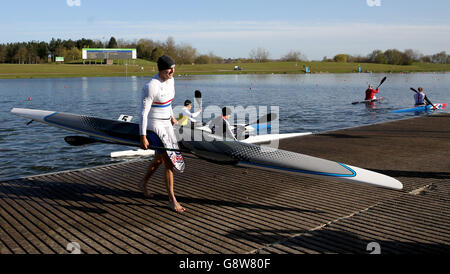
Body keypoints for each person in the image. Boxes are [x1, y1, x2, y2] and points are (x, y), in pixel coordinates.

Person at [138, 54, 186, 213]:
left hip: (167, 123)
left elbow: (168, 102)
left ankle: (143, 183)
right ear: (161, 70)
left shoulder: (171, 80)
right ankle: (172, 200)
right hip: (154, 125)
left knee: (158, 160)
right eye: (169, 70)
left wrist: (171, 115)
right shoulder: (151, 86)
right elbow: (143, 113)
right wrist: (143, 136)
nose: (173, 72)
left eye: (174, 69)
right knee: (169, 161)